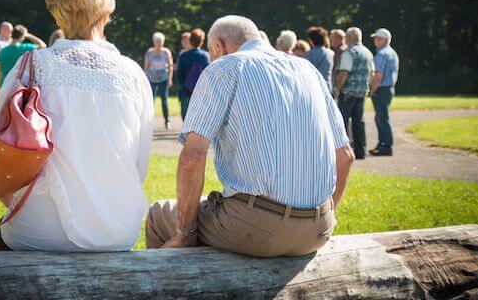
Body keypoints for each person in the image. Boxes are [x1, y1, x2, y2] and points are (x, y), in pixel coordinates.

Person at [0, 0, 153, 252]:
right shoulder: (133, 75)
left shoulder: (33, 67)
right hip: (117, 233)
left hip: (38, 232)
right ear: (107, 13)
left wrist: (23, 203)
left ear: (56, 13)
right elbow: (139, 168)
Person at [146, 15, 354, 258]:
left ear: (217, 46)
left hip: (255, 226)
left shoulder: (225, 68)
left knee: (159, 214)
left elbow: (192, 156)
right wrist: (322, 220)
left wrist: (186, 232)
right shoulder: (308, 70)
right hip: (319, 228)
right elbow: (346, 157)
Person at [334, 27, 375, 159]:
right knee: (359, 122)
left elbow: (344, 73)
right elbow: (372, 73)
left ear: (350, 38)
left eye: (346, 36)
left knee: (342, 122)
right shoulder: (368, 52)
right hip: (361, 92)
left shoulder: (349, 53)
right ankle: (360, 151)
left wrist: (337, 88)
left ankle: (343, 152)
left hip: (348, 93)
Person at [369, 28, 400, 157]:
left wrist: (372, 89)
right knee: (380, 118)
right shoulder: (392, 53)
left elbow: (378, 75)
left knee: (382, 118)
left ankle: (386, 146)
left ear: (384, 40)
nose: (375, 40)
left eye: (378, 38)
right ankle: (382, 144)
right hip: (388, 89)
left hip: (381, 89)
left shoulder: (382, 54)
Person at [0, 25, 46, 97]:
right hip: (20, 84)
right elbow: (43, 45)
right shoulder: (26, 48)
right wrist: (28, 35)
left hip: (5, 83)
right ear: (22, 36)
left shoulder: (2, 51)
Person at [175, 28, 210, 120]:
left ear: (190, 40)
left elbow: (178, 76)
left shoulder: (183, 56)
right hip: (203, 93)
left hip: (186, 92)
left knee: (186, 120)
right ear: (202, 41)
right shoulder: (207, 56)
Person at [144, 32, 174, 129]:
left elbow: (170, 66)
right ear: (154, 42)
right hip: (151, 79)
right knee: (150, 101)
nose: (159, 44)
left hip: (163, 79)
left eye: (160, 42)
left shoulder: (166, 52)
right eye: (157, 42)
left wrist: (170, 78)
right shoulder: (150, 52)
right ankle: (149, 121)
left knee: (164, 100)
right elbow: (146, 66)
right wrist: (144, 78)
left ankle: (167, 121)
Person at [305, 26, 335, 91]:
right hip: (327, 86)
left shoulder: (309, 54)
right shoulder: (331, 53)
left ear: (311, 40)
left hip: (313, 86)